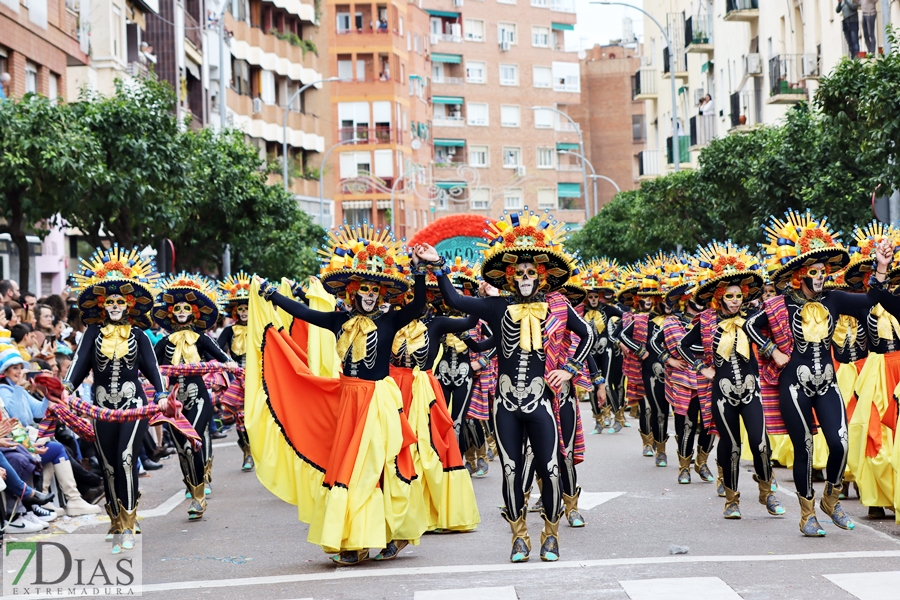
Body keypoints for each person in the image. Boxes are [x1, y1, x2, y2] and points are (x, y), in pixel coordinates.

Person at [250, 224, 434, 565]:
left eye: (375, 290)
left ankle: (389, 532)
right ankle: (354, 538)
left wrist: (421, 270)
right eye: (363, 289)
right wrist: (272, 295)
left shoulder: (391, 321)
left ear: (381, 294)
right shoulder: (339, 321)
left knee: (374, 467)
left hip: (377, 402)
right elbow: (304, 313)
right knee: (348, 468)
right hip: (347, 401)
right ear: (353, 292)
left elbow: (419, 304)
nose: (368, 294)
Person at [431, 211, 592, 563]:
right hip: (505, 406)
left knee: (549, 469)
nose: (524, 277)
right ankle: (519, 538)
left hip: (541, 405)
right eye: (518, 272)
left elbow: (588, 334)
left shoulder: (558, 305)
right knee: (510, 470)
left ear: (542, 276)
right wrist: (439, 266)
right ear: (508, 276)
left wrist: (569, 369)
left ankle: (551, 536)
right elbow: (456, 302)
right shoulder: (496, 306)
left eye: (531, 272)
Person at [748, 210, 893, 536]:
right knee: (805, 448)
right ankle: (807, 513)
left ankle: (831, 497)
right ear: (800, 275)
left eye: (824, 271)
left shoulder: (835, 299)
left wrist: (881, 268)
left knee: (839, 444)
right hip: (794, 386)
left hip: (827, 384)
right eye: (815, 272)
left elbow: (871, 299)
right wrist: (774, 352)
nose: (822, 276)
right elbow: (750, 326)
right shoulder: (780, 305)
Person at [64, 246, 170, 552]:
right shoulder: (92, 333)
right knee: (109, 465)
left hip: (134, 406)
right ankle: (115, 517)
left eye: (119, 301)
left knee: (125, 459)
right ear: (101, 304)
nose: (113, 305)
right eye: (108, 301)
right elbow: (79, 363)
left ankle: (128, 522)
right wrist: (66, 388)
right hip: (100, 407)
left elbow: (152, 368)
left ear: (129, 304)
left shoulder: (138, 335)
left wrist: (161, 394)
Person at [678, 242, 784, 520]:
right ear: (719, 297)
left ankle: (767, 491)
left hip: (751, 391)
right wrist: (702, 368)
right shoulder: (706, 320)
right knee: (731, 445)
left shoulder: (752, 318)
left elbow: (779, 329)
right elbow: (682, 346)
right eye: (730, 296)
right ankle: (732, 499)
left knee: (760, 442)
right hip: (722, 393)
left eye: (739, 295)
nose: (736, 300)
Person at [152, 273, 234, 521]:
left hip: (199, 397)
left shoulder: (201, 339)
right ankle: (192, 483)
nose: (180, 311)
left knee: (193, 441)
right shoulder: (163, 342)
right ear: (170, 313)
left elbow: (224, 359)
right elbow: (151, 369)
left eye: (186, 308)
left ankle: (199, 498)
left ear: (194, 312)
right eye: (176, 308)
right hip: (174, 402)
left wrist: (225, 367)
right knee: (181, 449)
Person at [658, 262, 715, 485]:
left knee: (711, 424)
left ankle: (702, 462)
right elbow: (654, 344)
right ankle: (684, 467)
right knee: (688, 423)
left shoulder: (713, 318)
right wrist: (669, 359)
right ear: (686, 298)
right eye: (695, 295)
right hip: (684, 378)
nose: (699, 299)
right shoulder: (672, 321)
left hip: (711, 376)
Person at [620, 256, 672, 466]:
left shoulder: (676, 321)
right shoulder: (642, 319)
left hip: (675, 371)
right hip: (650, 371)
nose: (668, 304)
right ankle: (657, 448)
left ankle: (688, 456)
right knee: (652, 409)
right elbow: (622, 336)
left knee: (672, 412)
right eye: (664, 299)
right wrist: (639, 350)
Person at [217, 272, 253, 471]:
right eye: (241, 309)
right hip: (239, 377)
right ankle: (247, 452)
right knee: (241, 416)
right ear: (235, 312)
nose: (244, 311)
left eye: (247, 308)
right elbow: (217, 349)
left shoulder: (260, 327)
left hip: (260, 377)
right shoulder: (229, 331)